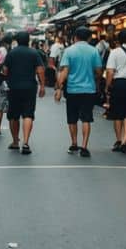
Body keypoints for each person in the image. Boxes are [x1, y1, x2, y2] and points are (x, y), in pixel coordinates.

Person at [55, 27, 102, 157]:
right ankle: (84, 146)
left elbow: (64, 71)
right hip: (89, 90)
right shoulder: (94, 51)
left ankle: (74, 143)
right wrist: (95, 78)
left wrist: (58, 89)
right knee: (86, 118)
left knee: (72, 118)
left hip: (72, 90)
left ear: (75, 37)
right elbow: (99, 71)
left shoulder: (69, 51)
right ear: (89, 38)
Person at [2, 31, 46, 154]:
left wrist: (8, 78)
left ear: (17, 40)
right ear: (29, 40)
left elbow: (5, 70)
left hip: (14, 87)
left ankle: (15, 141)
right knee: (28, 114)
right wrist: (42, 86)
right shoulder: (34, 53)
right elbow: (40, 70)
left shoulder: (11, 53)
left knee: (13, 115)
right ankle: (25, 142)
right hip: (30, 87)